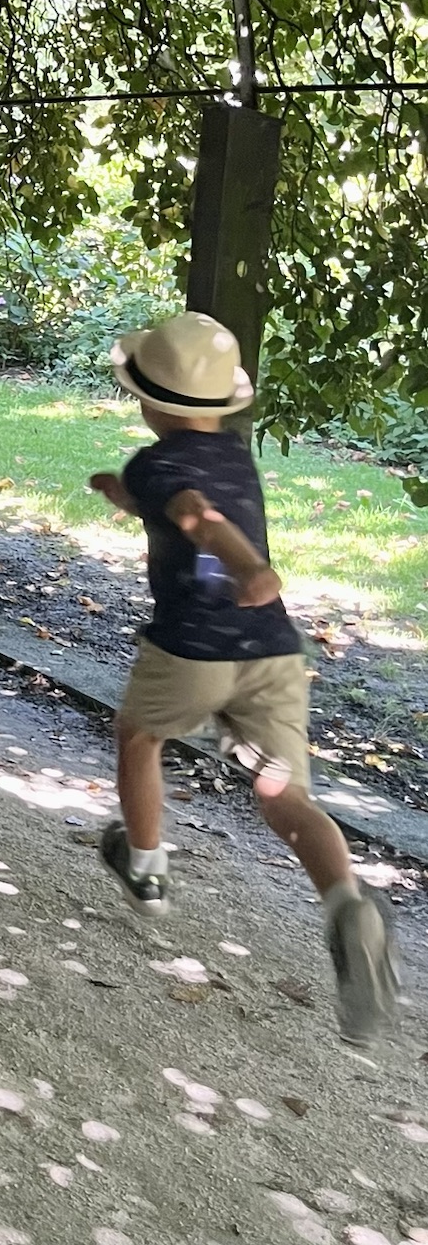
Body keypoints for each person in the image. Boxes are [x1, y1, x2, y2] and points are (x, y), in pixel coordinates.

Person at [88, 310, 399, 1046]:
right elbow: (181, 500)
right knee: (281, 791)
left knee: (140, 735)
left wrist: (247, 564)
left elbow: (194, 516)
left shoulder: (156, 465)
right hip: (271, 652)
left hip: (192, 652)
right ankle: (348, 906)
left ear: (149, 400)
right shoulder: (231, 453)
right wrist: (124, 497)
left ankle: (146, 867)